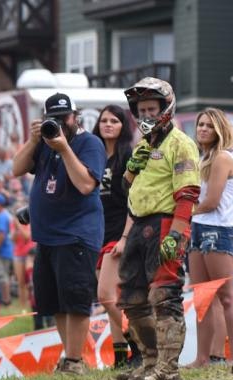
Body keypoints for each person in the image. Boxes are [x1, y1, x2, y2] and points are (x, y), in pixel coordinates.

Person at [11, 91, 106, 376]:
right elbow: (17, 169)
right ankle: (69, 357)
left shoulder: (89, 143)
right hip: (48, 236)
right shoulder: (43, 142)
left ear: (75, 117)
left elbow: (86, 185)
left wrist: (64, 148)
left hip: (76, 234)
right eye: (53, 119)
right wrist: (33, 140)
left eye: (64, 118)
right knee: (56, 303)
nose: (60, 124)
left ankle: (76, 360)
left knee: (76, 301)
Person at [114, 78, 200, 380]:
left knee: (165, 296)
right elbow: (127, 186)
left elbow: (188, 192)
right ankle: (149, 361)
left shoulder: (181, 143)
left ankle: (169, 368)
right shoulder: (142, 145)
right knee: (132, 298)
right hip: (139, 223)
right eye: (141, 110)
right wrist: (130, 169)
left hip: (165, 222)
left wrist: (177, 233)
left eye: (152, 108)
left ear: (166, 108)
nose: (146, 115)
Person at [187, 108, 233, 367]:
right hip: (199, 228)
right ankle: (202, 357)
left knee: (226, 296)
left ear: (219, 129)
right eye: (200, 125)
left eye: (209, 126)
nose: (203, 129)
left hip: (218, 229)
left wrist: (184, 213)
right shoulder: (205, 158)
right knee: (202, 298)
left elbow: (211, 201)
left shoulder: (222, 158)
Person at [91, 104, 135, 366]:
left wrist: (126, 238)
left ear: (123, 126)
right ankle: (120, 356)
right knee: (113, 301)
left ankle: (140, 343)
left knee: (106, 295)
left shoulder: (128, 157)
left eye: (114, 121)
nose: (108, 125)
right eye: (104, 120)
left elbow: (135, 201)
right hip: (97, 232)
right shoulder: (94, 156)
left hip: (119, 232)